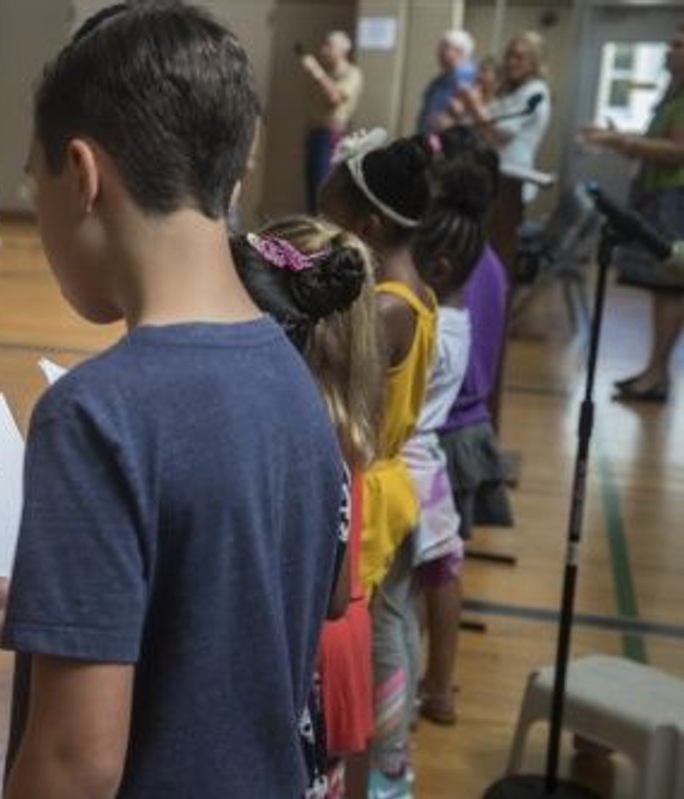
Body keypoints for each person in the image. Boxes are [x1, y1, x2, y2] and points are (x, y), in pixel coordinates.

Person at [0, 5, 344, 797]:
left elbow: (75, 763)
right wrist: (54, 615)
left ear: (81, 176)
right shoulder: (290, 370)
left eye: (32, 179)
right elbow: (226, 623)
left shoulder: (96, 415)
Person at [232, 216, 381, 799]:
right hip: (323, 644)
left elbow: (331, 589)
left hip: (306, 649)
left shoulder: (302, 434)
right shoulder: (337, 415)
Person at [318, 130, 435, 799]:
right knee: (375, 642)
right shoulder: (411, 290)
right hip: (388, 484)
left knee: (350, 671)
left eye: (324, 219)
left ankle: (361, 779)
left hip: (365, 497)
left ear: (366, 225)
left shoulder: (384, 307)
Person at [409, 127, 503, 729]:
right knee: (442, 569)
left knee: (427, 578)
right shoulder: (487, 261)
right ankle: (437, 687)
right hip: (461, 431)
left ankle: (423, 687)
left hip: (444, 437)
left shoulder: (431, 321)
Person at [582, 25, 684, 403]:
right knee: (660, 288)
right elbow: (653, 144)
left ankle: (658, 374)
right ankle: (654, 369)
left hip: (676, 198)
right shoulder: (672, 93)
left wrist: (617, 139)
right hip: (658, 193)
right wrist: (621, 140)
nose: (669, 49)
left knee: (671, 286)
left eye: (678, 44)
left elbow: (677, 151)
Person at [459, 32, 551, 202]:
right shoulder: (514, 92)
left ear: (534, 62)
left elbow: (500, 135)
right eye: (509, 55)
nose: (510, 63)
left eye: (519, 57)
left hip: (509, 184)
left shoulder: (534, 92)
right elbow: (479, 125)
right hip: (493, 179)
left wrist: (475, 106)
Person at [301, 31, 364, 214]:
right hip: (315, 135)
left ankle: (324, 238)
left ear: (343, 49)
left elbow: (334, 98)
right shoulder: (327, 73)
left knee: (323, 190)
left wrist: (316, 72)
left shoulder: (352, 73)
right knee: (312, 191)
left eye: (329, 45)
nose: (323, 50)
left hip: (330, 137)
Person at [416, 30, 476, 134]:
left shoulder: (469, 78)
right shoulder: (440, 80)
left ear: (460, 52)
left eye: (445, 47)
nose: (439, 52)